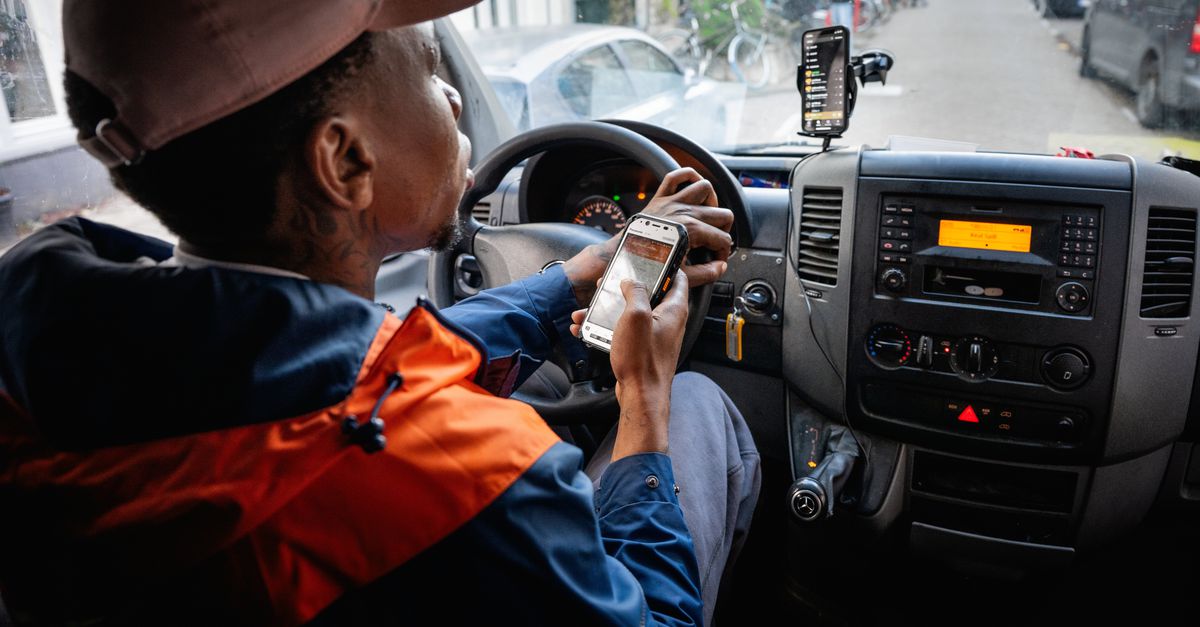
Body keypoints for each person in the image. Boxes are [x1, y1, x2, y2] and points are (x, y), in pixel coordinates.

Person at [0, 1, 760, 625]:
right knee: (697, 401)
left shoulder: (54, 332)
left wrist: (566, 279)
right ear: (345, 162)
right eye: (429, 71)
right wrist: (643, 397)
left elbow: (352, 375)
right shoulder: (466, 474)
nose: (455, 98)